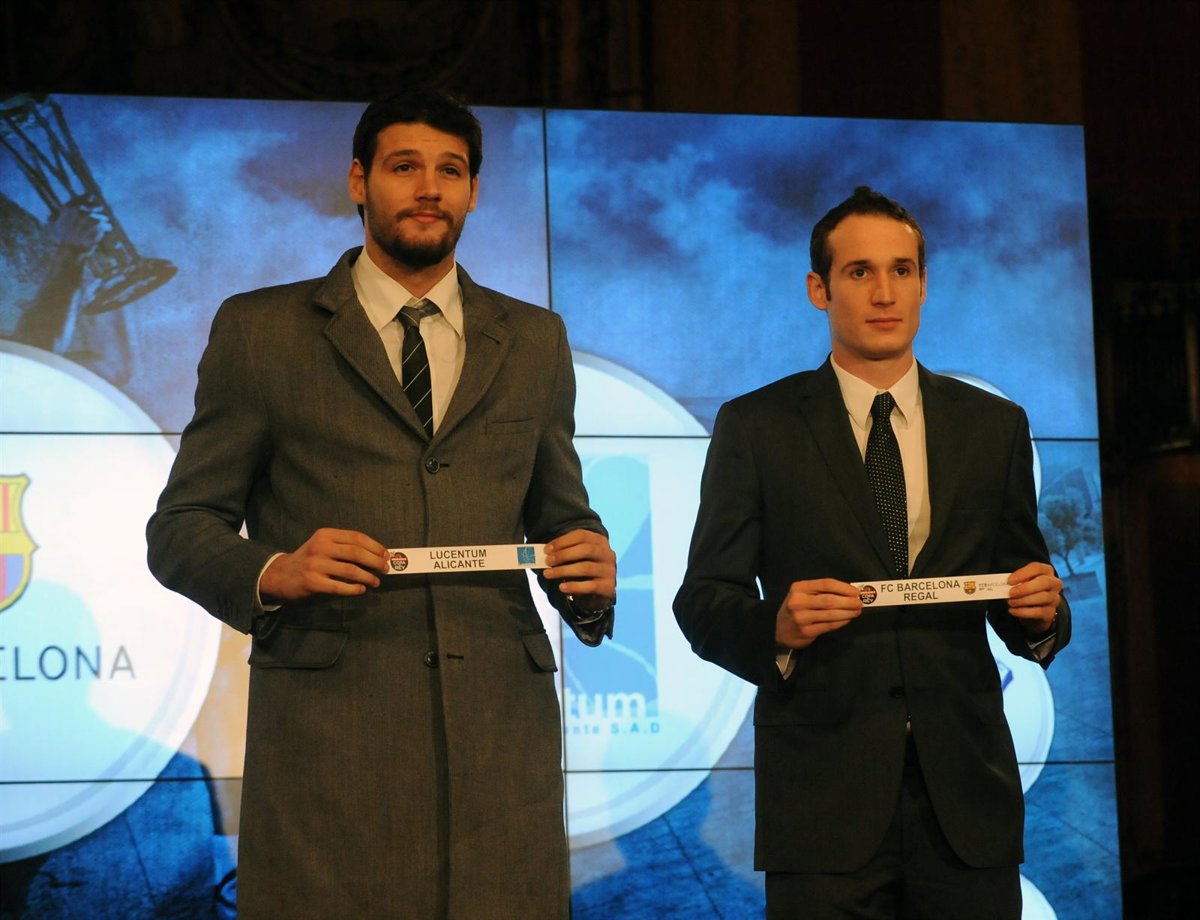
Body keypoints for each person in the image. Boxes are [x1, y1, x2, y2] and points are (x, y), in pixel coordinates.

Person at [147, 89, 616, 919]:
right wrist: (275, 570)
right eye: (405, 167)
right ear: (360, 182)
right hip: (332, 743)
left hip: (500, 743)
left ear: (474, 191)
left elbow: (561, 515)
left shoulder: (535, 338)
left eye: (451, 170)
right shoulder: (262, 331)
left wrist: (586, 567)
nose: (429, 188)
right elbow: (181, 530)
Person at [674, 186, 1069, 918]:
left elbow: (1021, 589)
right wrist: (775, 626)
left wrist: (1043, 615)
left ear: (923, 284)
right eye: (859, 272)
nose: (884, 293)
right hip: (821, 803)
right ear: (818, 289)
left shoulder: (995, 426)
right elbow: (702, 602)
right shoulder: (756, 426)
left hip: (968, 800)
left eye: (901, 270)